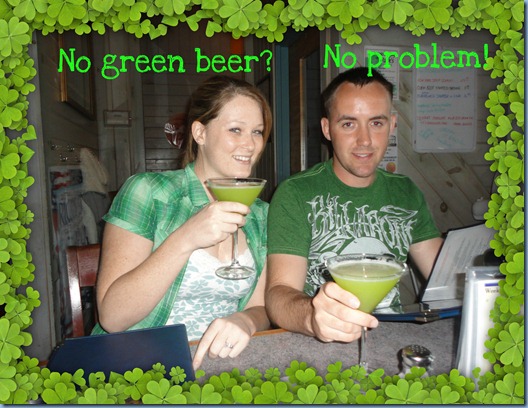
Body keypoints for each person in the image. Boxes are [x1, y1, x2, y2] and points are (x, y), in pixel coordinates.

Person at [92, 75, 272, 370]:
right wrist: (186, 238)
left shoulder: (261, 214)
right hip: (140, 368)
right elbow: (112, 318)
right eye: (235, 129)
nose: (250, 144)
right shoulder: (149, 192)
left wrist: (246, 320)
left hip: (223, 366)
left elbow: (260, 306)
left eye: (257, 132)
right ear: (200, 132)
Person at [265, 67, 444, 344]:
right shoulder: (296, 193)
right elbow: (279, 293)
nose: (365, 140)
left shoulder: (406, 192)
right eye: (348, 124)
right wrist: (312, 317)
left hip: (392, 339)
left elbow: (444, 277)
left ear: (392, 125)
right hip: (321, 344)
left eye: (376, 123)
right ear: (327, 129)